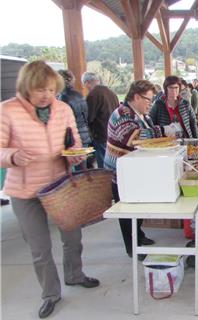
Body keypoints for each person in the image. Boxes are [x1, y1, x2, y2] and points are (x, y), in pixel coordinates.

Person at [0, 61, 100, 319]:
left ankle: (75, 274)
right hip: (25, 191)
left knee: (73, 237)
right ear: (26, 88)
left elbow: (75, 141)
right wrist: (11, 156)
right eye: (40, 90)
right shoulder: (8, 110)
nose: (46, 95)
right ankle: (51, 293)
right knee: (39, 247)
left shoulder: (63, 108)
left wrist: (75, 156)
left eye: (51, 90)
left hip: (60, 185)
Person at [105, 80, 161, 261]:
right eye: (148, 100)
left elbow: (151, 131)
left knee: (138, 207)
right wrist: (163, 130)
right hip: (120, 172)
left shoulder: (142, 114)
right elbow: (135, 137)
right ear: (136, 96)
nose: (150, 104)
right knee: (127, 211)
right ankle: (132, 247)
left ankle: (139, 235)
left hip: (135, 171)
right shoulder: (122, 114)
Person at [58, 70, 92, 168]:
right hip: (85, 133)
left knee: (76, 170)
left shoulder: (63, 98)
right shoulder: (79, 94)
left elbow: (64, 121)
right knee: (82, 167)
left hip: (73, 137)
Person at [85, 75, 120, 168]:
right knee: (111, 163)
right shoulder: (112, 93)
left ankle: (105, 181)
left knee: (103, 164)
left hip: (100, 133)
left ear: (88, 82)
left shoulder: (93, 94)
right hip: (114, 132)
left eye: (85, 84)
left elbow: (89, 117)